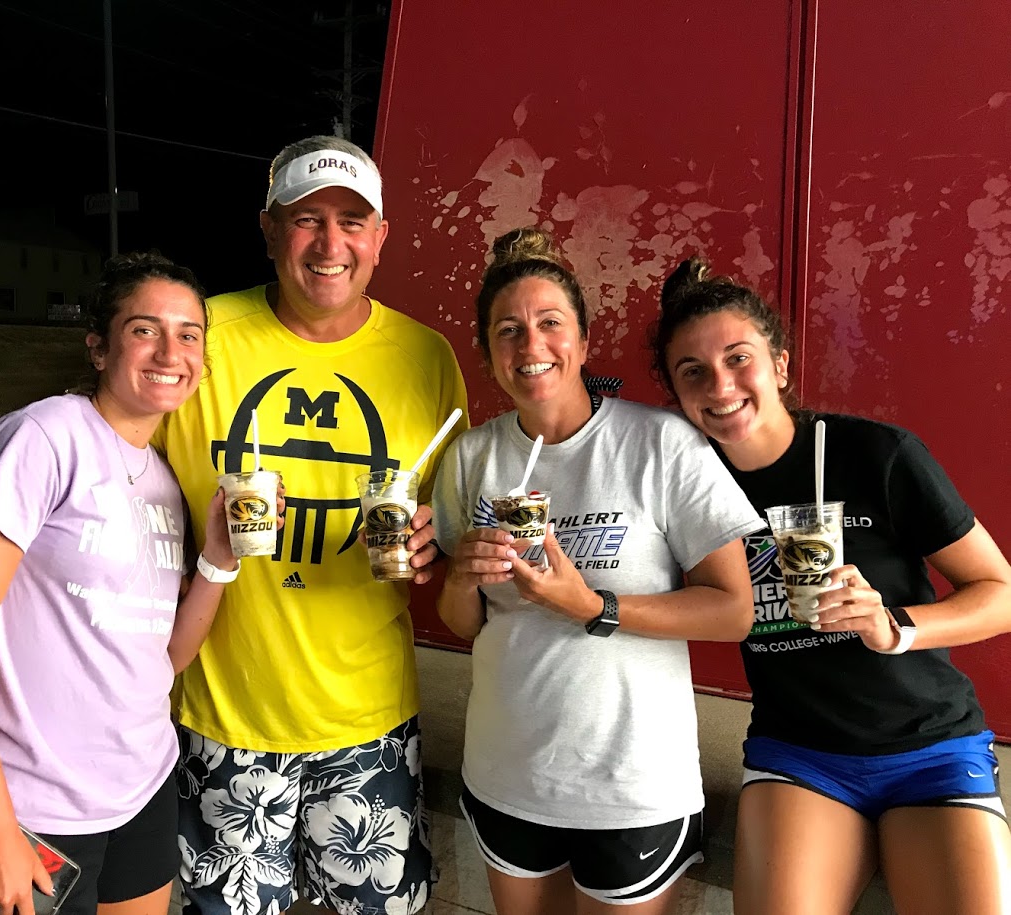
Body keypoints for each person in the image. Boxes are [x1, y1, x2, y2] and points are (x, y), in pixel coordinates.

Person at [153, 135, 469, 915]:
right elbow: (118, 466)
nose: (331, 244)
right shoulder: (200, 336)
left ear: (381, 237)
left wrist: (437, 544)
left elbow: (459, 524)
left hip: (367, 718)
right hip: (224, 713)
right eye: (307, 219)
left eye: (353, 221)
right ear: (268, 230)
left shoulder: (426, 358)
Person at [652, 255, 1011, 915]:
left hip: (930, 744)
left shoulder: (877, 455)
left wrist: (893, 625)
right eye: (693, 371)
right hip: (800, 754)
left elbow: (1000, 591)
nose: (721, 384)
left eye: (739, 358)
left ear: (781, 365)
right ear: (675, 392)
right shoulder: (685, 492)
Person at [429, 227, 763, 915]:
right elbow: (463, 622)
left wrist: (593, 605)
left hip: (631, 783)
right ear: (489, 353)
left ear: (582, 343)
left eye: (550, 324)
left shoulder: (660, 443)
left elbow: (735, 607)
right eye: (508, 330)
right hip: (506, 772)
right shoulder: (471, 459)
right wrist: (462, 574)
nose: (531, 346)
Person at [0, 252, 252, 915]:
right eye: (144, 328)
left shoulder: (160, 479)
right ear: (98, 347)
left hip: (141, 786)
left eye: (189, 333)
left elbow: (164, 658)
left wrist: (217, 561)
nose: (170, 349)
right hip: (33, 805)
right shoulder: (45, 437)